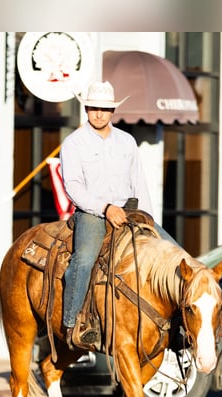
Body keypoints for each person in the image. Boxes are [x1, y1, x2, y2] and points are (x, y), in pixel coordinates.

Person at [60, 80, 174, 349]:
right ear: (86, 109)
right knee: (85, 259)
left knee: (170, 252)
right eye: (93, 108)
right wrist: (104, 208)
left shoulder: (127, 142)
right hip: (93, 213)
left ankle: (177, 325)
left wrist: (150, 223)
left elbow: (139, 183)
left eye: (104, 109)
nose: (99, 113)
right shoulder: (74, 143)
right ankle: (72, 323)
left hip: (130, 210)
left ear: (113, 111)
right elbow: (73, 187)